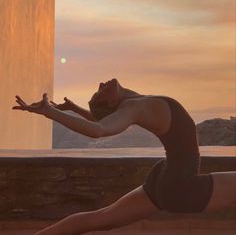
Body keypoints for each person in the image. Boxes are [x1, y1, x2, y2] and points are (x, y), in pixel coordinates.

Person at [12, 78, 236, 235]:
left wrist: (75, 109)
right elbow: (99, 129)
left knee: (100, 218)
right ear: (111, 102)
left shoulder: (132, 105)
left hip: (166, 178)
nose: (101, 85)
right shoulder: (133, 107)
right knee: (100, 218)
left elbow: (104, 120)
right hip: (181, 184)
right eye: (99, 92)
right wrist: (51, 112)